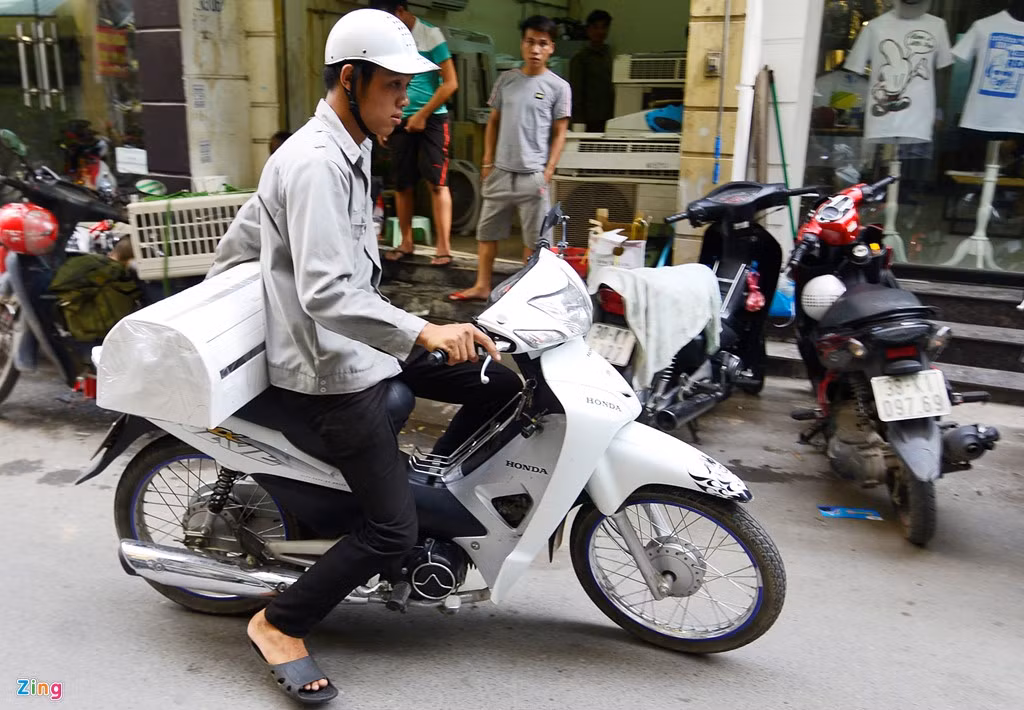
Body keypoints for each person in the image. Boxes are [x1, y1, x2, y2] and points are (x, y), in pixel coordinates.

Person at [223, 9, 520, 704]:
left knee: (497, 382)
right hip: (331, 372)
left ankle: (433, 481)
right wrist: (421, 331)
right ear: (351, 80)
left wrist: (425, 330)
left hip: (361, 344)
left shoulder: (350, 146)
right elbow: (327, 293)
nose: (405, 104)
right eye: (394, 89)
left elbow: (247, 237)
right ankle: (279, 623)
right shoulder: (316, 161)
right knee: (391, 532)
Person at [449, 15, 571, 302]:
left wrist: (549, 170)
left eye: (543, 43)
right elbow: (493, 121)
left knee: (534, 240)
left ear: (551, 47)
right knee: (486, 233)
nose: (535, 49)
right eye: (530, 42)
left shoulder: (558, 87)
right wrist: (487, 161)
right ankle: (481, 285)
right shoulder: (507, 80)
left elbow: (561, 131)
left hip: (533, 175)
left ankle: (524, 296)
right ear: (522, 44)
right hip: (500, 171)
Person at [372, 0, 457, 267]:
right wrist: (383, 121)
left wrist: (422, 114)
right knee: (402, 183)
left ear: (400, 10)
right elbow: (386, 82)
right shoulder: (391, 40)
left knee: (437, 182)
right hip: (401, 118)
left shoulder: (430, 34)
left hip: (433, 120)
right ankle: (406, 242)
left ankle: (443, 248)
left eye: (390, 18)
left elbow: (450, 83)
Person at [570, 10, 614, 133]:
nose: (600, 32)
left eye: (604, 27)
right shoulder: (580, 57)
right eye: (595, 27)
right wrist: (578, 124)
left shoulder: (609, 53)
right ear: (588, 29)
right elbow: (576, 93)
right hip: (589, 120)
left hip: (609, 117)